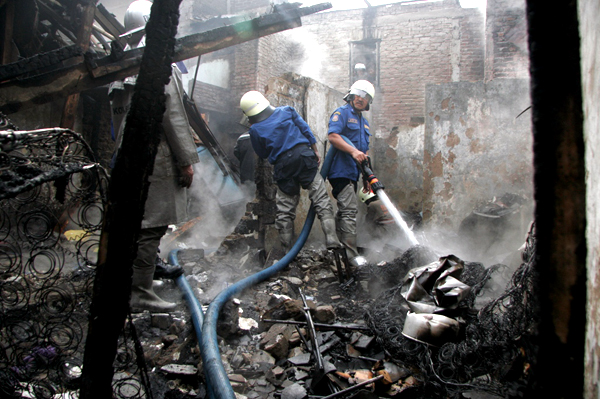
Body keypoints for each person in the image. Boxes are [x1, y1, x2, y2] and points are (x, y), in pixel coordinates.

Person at [109, 0, 200, 312]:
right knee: (150, 227)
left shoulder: (121, 67)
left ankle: (135, 281)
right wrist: (187, 161)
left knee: (134, 224)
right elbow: (172, 115)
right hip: (155, 157)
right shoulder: (158, 61)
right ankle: (140, 291)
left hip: (127, 157)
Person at [239, 90, 341, 253]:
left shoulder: (255, 129)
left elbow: (263, 153)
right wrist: (315, 150)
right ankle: (332, 238)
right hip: (303, 155)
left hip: (283, 165)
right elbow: (306, 130)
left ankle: (288, 251)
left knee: (285, 209)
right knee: (320, 198)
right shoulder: (287, 110)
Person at [326, 80, 376, 266]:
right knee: (349, 211)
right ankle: (351, 257)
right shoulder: (342, 113)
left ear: (368, 101)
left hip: (354, 173)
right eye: (358, 95)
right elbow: (333, 136)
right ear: (351, 95)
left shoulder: (365, 123)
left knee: (346, 210)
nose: (360, 99)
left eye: (365, 97)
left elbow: (364, 152)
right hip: (340, 170)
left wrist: (367, 176)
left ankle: (340, 250)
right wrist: (354, 152)